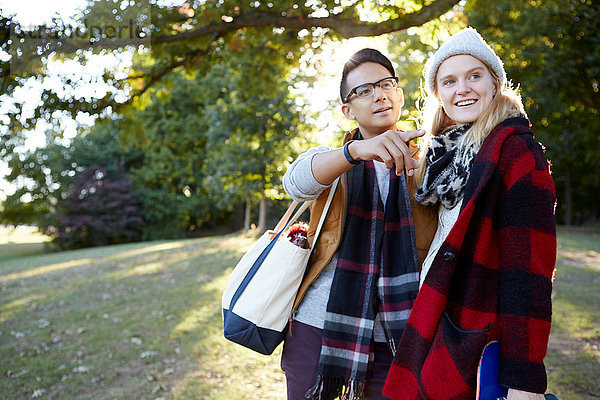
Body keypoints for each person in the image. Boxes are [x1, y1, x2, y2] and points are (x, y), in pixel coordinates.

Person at [382, 28, 557, 400]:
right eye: (449, 81)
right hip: (434, 318)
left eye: (474, 76)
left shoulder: (517, 155)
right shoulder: (442, 158)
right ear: (439, 95)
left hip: (478, 334)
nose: (462, 88)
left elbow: (529, 277)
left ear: (494, 84)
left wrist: (525, 382)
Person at [281, 48, 438, 400]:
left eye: (386, 84)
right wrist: (358, 152)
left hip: (400, 336)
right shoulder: (333, 161)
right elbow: (295, 183)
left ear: (399, 93)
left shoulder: (430, 160)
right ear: (347, 111)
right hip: (319, 331)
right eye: (364, 90)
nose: (379, 94)